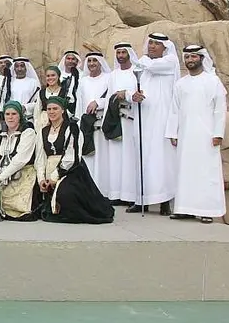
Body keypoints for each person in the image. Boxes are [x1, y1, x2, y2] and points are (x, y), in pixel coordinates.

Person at [166, 45, 227, 223]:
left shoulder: (213, 81)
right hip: (185, 136)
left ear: (201, 58)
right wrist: (173, 132)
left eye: (193, 56)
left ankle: (207, 210)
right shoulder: (181, 83)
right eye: (187, 57)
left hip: (206, 136)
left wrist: (218, 133)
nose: (190, 60)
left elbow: (220, 110)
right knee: (185, 171)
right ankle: (184, 208)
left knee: (206, 172)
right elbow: (174, 110)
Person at [35, 96, 114, 224]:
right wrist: (41, 179)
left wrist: (55, 177)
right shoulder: (43, 131)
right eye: (49, 109)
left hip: (70, 171)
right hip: (48, 169)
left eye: (55, 108)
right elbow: (40, 158)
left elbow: (71, 158)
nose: (51, 112)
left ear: (63, 110)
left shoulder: (72, 129)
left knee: (66, 194)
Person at [128, 32, 179, 216]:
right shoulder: (144, 66)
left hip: (162, 118)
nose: (152, 46)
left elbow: (149, 65)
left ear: (165, 47)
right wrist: (134, 96)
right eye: (150, 43)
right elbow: (135, 86)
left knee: (161, 159)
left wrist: (140, 58)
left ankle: (164, 200)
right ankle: (142, 200)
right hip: (143, 116)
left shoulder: (169, 61)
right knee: (142, 157)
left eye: (156, 44)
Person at [0, 101, 38, 221]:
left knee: (19, 210)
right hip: (3, 175)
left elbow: (20, 160)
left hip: (22, 174)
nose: (10, 117)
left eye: (14, 114)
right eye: (7, 114)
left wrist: (1, 177)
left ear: (20, 116)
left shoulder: (28, 133)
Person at [101, 42, 140, 206]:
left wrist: (127, 95)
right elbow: (109, 96)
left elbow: (139, 94)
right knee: (116, 158)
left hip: (132, 118)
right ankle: (116, 194)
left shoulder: (137, 72)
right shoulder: (113, 74)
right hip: (116, 118)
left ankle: (131, 196)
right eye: (119, 53)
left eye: (124, 52)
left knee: (131, 158)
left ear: (130, 54)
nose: (121, 55)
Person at [75, 52, 112, 193]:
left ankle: (104, 191)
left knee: (103, 160)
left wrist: (99, 102)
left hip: (102, 125)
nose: (91, 64)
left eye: (94, 61)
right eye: (89, 61)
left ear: (100, 62)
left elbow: (110, 97)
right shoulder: (83, 81)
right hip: (86, 126)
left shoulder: (108, 78)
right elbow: (79, 104)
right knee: (88, 158)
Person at [56, 49, 82, 113]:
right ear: (64, 60)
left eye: (73, 59)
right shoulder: (58, 75)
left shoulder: (82, 75)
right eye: (68, 58)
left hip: (75, 108)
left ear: (77, 61)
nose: (70, 61)